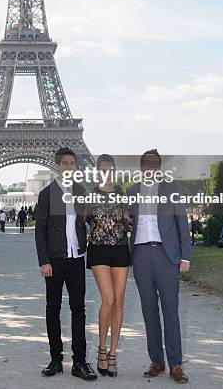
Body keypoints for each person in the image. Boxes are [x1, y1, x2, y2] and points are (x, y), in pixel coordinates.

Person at [127, 149, 190, 383]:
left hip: (166, 255)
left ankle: (175, 364)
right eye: (147, 163)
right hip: (141, 254)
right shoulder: (131, 192)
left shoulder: (172, 189)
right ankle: (156, 360)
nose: (151, 167)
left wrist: (186, 256)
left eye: (155, 163)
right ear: (141, 166)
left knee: (171, 311)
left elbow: (182, 223)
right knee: (149, 310)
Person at [35, 147, 97, 381]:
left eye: (72, 163)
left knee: (78, 310)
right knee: (53, 309)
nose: (69, 167)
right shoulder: (47, 194)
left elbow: (91, 221)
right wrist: (44, 261)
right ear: (57, 165)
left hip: (76, 259)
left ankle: (79, 362)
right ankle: (56, 359)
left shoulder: (82, 192)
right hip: (54, 260)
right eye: (65, 163)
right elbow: (39, 231)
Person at [84, 154, 131, 377]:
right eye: (103, 169)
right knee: (109, 299)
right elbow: (80, 223)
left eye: (111, 169)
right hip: (99, 250)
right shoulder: (90, 196)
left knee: (119, 302)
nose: (107, 173)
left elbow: (130, 222)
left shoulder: (123, 195)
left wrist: (127, 218)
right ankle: (101, 349)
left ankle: (112, 354)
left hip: (121, 249)